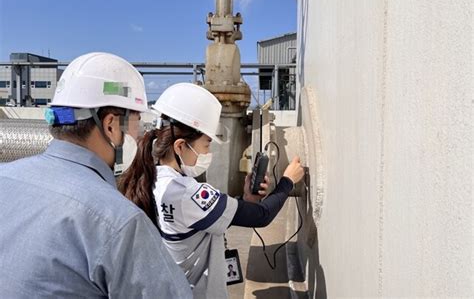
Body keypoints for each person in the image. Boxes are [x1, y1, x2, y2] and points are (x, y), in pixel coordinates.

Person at [0, 52, 192, 298]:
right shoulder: (118, 221)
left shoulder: (5, 177)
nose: (141, 132)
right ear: (111, 125)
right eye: (137, 121)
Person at [118, 82, 304, 299]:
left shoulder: (154, 179)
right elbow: (262, 217)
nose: (208, 152)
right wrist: (288, 181)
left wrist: (244, 199)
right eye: (206, 145)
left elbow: (199, 216)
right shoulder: (185, 192)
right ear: (180, 146)